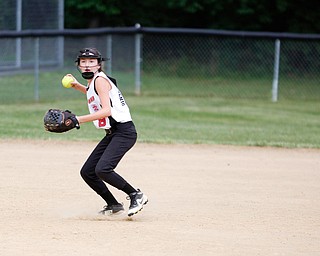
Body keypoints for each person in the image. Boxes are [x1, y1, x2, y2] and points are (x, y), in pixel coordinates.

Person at [65, 47, 148, 217]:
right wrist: (76, 86)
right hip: (112, 133)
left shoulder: (100, 80)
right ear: (79, 66)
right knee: (87, 171)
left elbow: (106, 111)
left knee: (103, 169)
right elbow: (92, 94)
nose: (87, 65)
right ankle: (113, 204)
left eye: (91, 62)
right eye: (83, 62)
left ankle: (135, 195)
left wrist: (77, 119)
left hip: (124, 132)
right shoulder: (95, 81)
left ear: (99, 64)